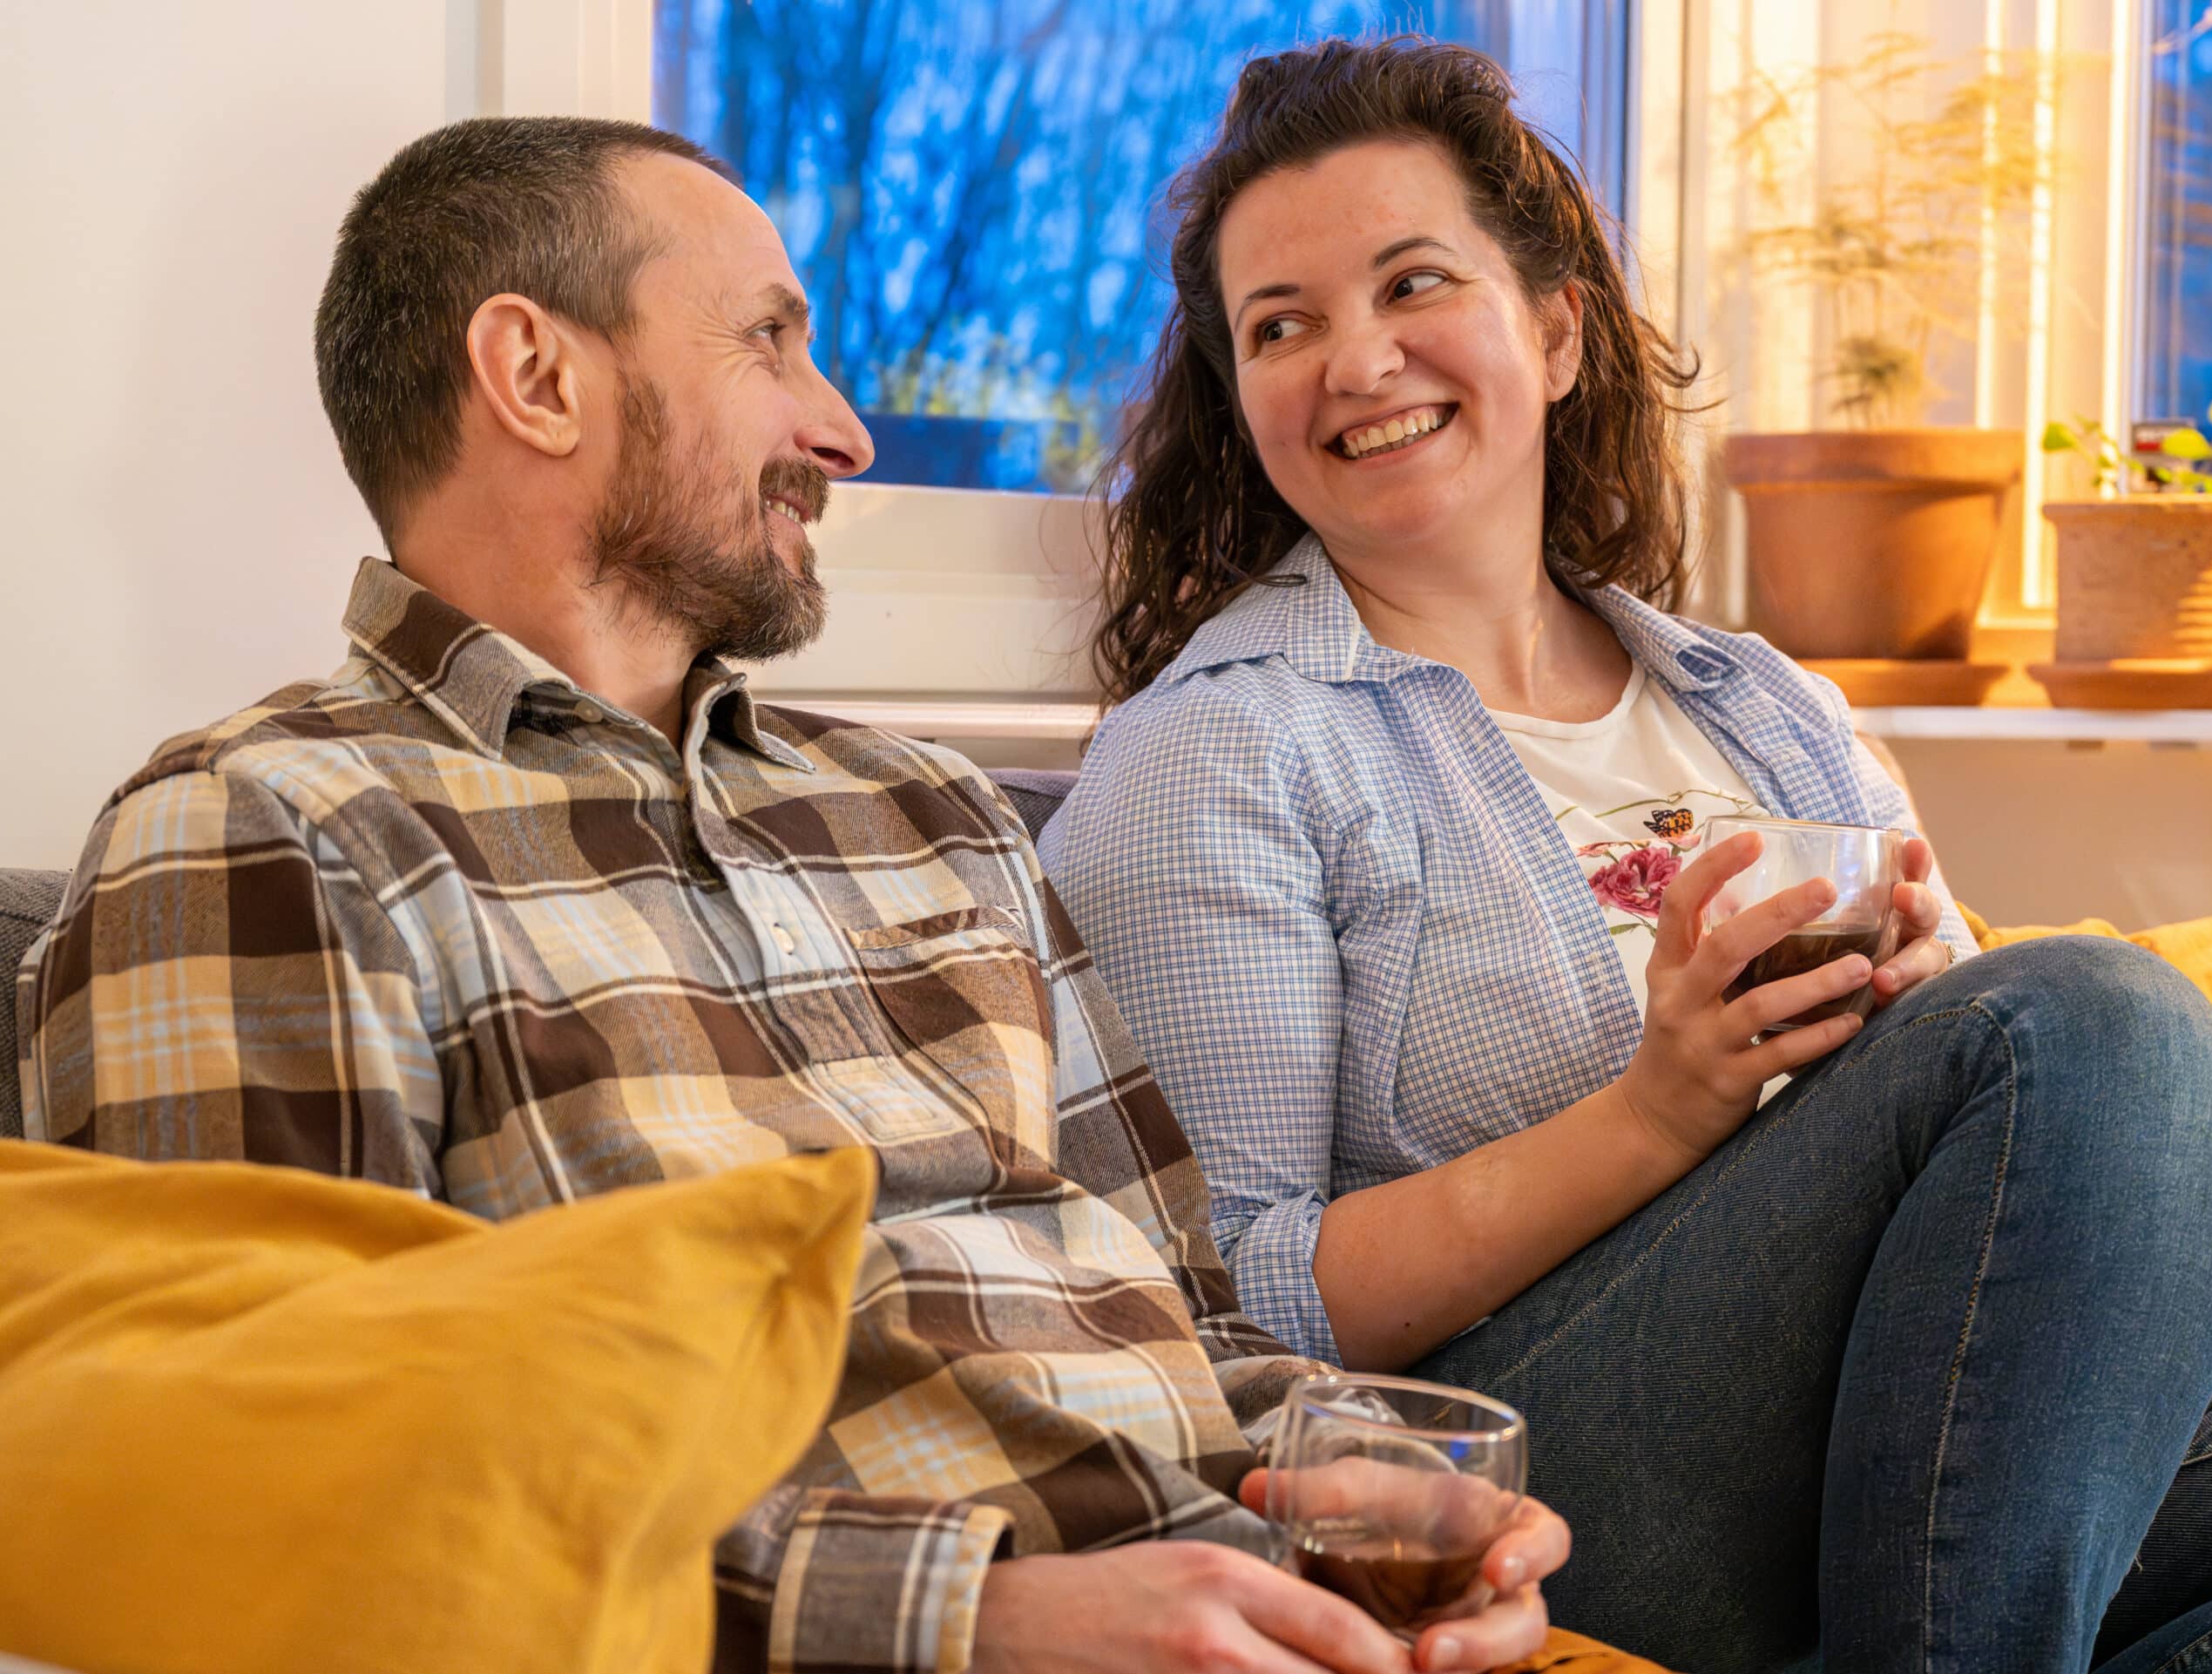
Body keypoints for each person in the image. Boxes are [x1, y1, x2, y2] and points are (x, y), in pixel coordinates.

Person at [12, 117, 1586, 1674]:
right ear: (537, 377)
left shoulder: (928, 809)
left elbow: (1193, 1315)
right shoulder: (264, 830)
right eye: (773, 340)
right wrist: (978, 1623)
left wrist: (1363, 1484)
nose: (843, 431)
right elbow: (304, 1508)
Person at [1040, 37, 2212, 1674]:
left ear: (1554, 328)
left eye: (1409, 284)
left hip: (1910, 1409)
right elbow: (1230, 1303)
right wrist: (1661, 1106)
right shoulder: (1219, 750)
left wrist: (1937, 1007)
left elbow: (1975, 1077)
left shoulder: (1767, 705)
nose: (1355, 359)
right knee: (2104, 1020)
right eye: (1282, 326)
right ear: (1238, 400)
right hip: (1526, 1456)